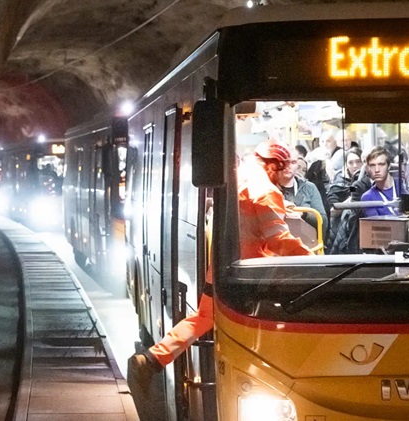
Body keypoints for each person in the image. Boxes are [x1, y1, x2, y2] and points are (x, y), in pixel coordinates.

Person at [127, 140, 312, 386]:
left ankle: (152, 359)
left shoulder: (241, 182)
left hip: (220, 269)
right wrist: (311, 260)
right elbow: (278, 240)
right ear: (272, 167)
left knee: (202, 318)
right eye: (281, 170)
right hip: (251, 278)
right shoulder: (267, 192)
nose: (282, 177)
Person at [277, 152, 327, 233]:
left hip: (306, 241)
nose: (289, 166)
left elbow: (323, 221)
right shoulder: (268, 187)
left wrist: (304, 214)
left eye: (293, 162)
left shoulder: (309, 187)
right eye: (285, 161)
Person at [360, 146, 401, 217]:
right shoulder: (368, 197)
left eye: (381, 164)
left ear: (389, 166)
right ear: (368, 168)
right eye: (372, 165)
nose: (377, 170)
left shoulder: (402, 186)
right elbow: (377, 226)